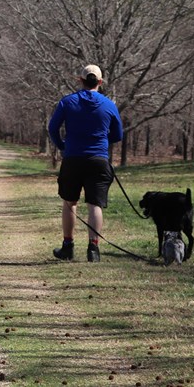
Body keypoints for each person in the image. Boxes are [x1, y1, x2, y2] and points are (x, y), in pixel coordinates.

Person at [47, 64, 123, 262]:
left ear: (80, 80)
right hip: (98, 160)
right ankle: (93, 250)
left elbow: (53, 128)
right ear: (100, 82)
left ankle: (68, 247)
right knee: (94, 205)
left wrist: (62, 146)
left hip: (73, 158)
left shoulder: (67, 102)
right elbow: (118, 134)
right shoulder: (109, 105)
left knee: (70, 203)